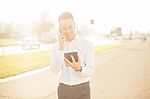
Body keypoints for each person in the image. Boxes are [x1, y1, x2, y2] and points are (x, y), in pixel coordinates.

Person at [51, 12, 95, 99]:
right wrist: (61, 48)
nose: (68, 31)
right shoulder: (56, 47)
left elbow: (91, 70)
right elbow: (55, 70)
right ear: (59, 29)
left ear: (74, 25)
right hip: (63, 89)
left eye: (70, 27)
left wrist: (79, 68)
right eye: (64, 28)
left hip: (82, 88)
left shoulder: (87, 44)